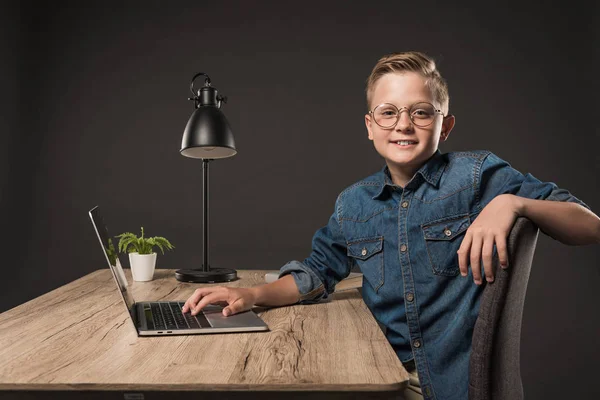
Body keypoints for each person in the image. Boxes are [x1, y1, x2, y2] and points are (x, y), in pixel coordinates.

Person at [182, 51, 600, 400]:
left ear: (445, 125)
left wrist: (512, 203)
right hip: (377, 376)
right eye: (389, 112)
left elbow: (589, 225)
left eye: (421, 112)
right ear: (370, 126)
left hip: (447, 387)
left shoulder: (475, 177)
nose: (403, 124)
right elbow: (319, 271)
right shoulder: (354, 203)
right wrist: (252, 294)